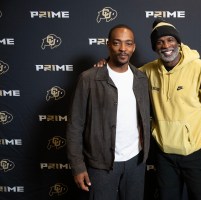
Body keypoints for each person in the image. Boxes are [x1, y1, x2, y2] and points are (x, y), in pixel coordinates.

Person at [96, 19, 201, 200]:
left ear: (178, 42)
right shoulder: (147, 72)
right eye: (160, 42)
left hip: (197, 153)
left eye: (170, 40)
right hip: (165, 155)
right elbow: (122, 71)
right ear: (155, 47)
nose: (166, 45)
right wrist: (105, 65)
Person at [66, 24, 150, 200]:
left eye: (128, 44)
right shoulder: (89, 78)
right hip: (100, 164)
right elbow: (75, 125)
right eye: (117, 43)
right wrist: (78, 166)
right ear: (108, 45)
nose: (122, 49)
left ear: (133, 47)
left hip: (136, 161)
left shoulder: (141, 78)